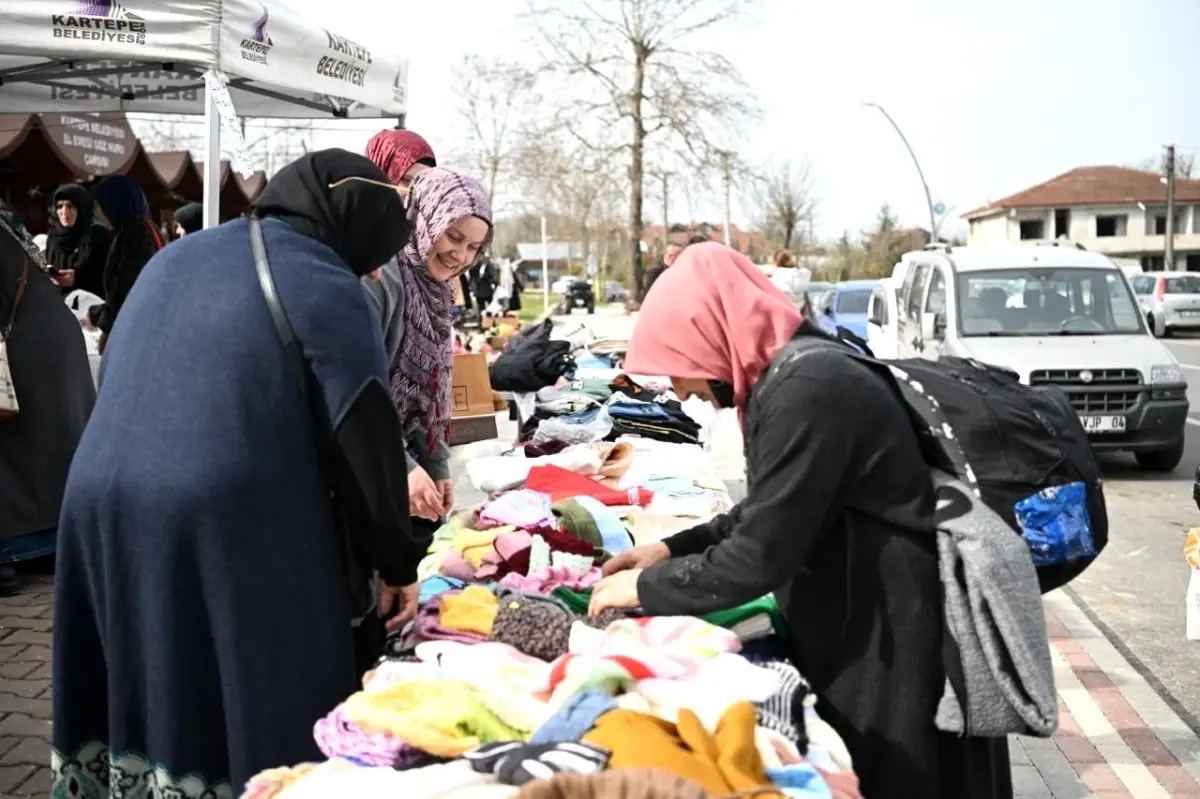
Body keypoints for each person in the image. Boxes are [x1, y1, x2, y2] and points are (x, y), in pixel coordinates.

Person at [51, 149, 432, 797]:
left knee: (148, 659)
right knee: (254, 671)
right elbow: (364, 448)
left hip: (95, 495)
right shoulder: (327, 284)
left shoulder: (179, 253)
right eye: (378, 251)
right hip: (218, 509)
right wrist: (396, 564)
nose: (372, 268)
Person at [588, 242, 1012, 799]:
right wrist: (668, 550)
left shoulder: (809, 388)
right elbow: (774, 502)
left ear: (709, 331)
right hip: (869, 607)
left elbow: (762, 553)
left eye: (680, 366)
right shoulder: (792, 372)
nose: (684, 390)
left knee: (908, 774)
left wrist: (644, 587)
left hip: (893, 630)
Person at [363, 132, 493, 525]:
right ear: (424, 217)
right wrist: (403, 468)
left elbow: (430, 387)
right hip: (357, 464)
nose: (460, 255)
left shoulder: (435, 291)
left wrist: (436, 463)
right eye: (453, 236)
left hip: (390, 460)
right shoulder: (378, 277)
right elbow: (355, 392)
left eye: (473, 247)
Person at [0, 204, 95, 595]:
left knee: (12, 443)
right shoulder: (6, 219)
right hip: (55, 335)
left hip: (22, 344)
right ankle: (48, 546)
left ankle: (7, 553)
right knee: (52, 442)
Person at [84, 175, 163, 352]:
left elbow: (126, 289)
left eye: (99, 205)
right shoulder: (141, 228)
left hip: (134, 331)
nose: (96, 211)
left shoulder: (134, 235)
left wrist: (106, 328)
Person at [45, 183, 109, 297]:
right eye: (59, 206)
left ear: (82, 207)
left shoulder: (98, 236)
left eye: (70, 206)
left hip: (87, 307)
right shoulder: (54, 235)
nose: (64, 212)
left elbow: (107, 281)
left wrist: (78, 280)